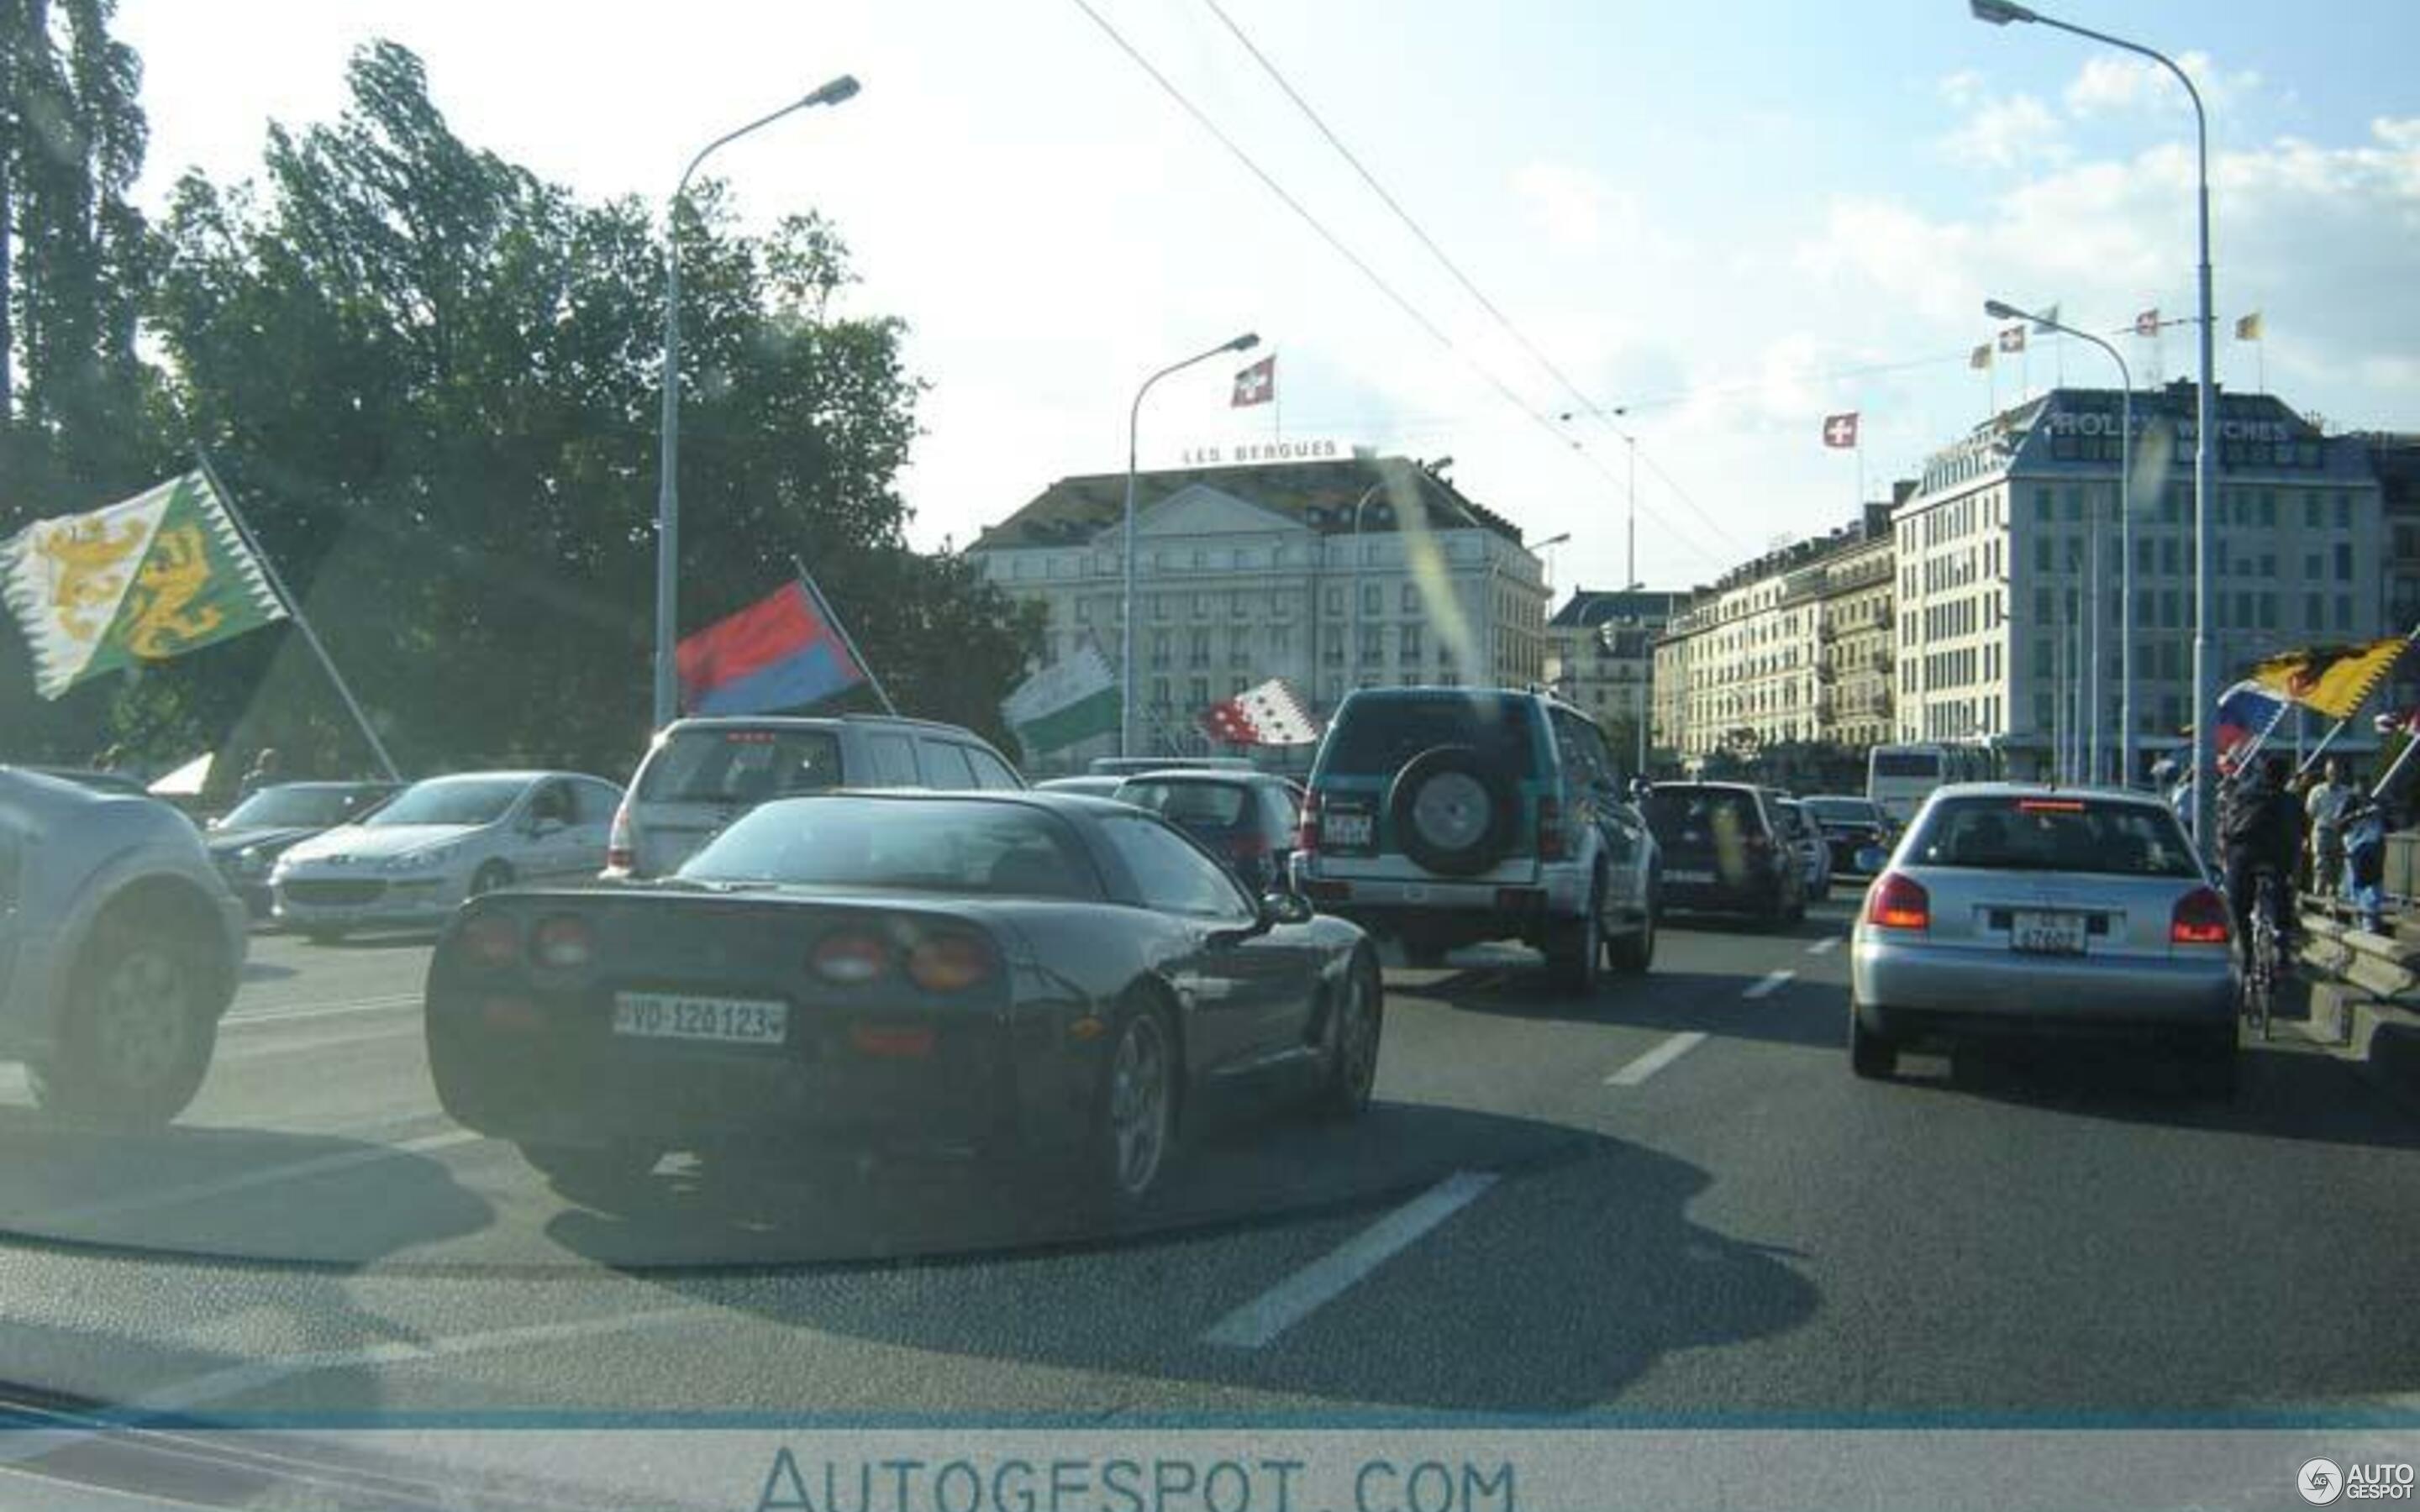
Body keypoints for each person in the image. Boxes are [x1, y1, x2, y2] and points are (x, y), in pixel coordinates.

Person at [2221, 753, 2302, 960]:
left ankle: (2246, 955)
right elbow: (2299, 838)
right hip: (2277, 858)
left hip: (2243, 856)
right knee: (2283, 891)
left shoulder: (2242, 796)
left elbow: (2227, 832)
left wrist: (2227, 859)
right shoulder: (2291, 801)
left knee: (2238, 908)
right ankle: (2282, 940)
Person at [2342, 781, 2389, 935]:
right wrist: (2360, 813)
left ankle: (2369, 925)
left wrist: (2379, 813)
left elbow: (2389, 825)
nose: (2363, 796)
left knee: (2372, 889)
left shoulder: (2377, 806)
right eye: (2360, 792)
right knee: (2357, 889)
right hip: (2356, 852)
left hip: (2372, 851)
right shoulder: (2349, 805)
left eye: (2366, 792)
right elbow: (2339, 823)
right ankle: (2363, 922)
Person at [2305, 757, 2352, 899]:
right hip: (2322, 831)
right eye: (2331, 771)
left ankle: (2333, 899)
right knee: (2321, 866)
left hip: (2340, 832)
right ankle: (2318, 896)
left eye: (2336, 771)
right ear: (2326, 772)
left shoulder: (2347, 792)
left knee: (2337, 868)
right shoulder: (2316, 791)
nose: (2334, 774)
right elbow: (2310, 814)